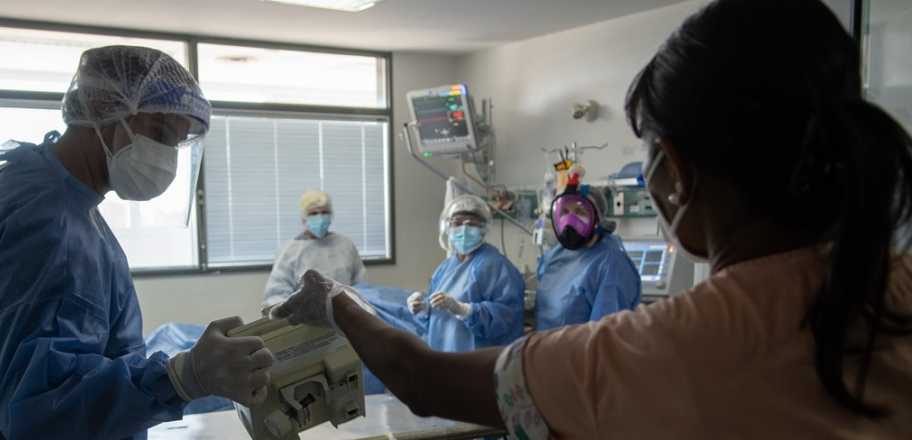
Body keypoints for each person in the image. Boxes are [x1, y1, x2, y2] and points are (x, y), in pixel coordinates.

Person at [270, 0, 912, 438]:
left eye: (650, 158)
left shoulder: (671, 347)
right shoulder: (897, 289)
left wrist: (338, 302)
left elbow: (424, 380)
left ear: (680, 174)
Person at [0, 46, 274, 440]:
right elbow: (43, 415)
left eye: (174, 144)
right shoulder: (50, 228)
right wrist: (181, 377)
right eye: (159, 133)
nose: (166, 159)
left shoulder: (22, 184)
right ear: (104, 108)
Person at [405, 194, 523, 352]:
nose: (464, 230)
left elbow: (507, 316)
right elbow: (436, 313)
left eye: (471, 224)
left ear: (483, 229)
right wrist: (423, 307)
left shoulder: (495, 265)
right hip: (442, 352)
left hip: (478, 360)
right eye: (457, 223)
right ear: (448, 228)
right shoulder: (445, 267)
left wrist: (463, 309)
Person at [535, 185, 641, 329]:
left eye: (580, 212)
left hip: (581, 350)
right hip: (547, 347)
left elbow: (604, 336)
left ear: (598, 219)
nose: (569, 220)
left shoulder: (611, 264)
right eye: (564, 212)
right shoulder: (554, 256)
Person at [262, 189, 366, 312]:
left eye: (324, 212)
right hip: (306, 321)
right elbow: (276, 296)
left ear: (331, 216)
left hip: (346, 316)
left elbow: (360, 286)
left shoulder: (345, 245)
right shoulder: (291, 251)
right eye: (313, 213)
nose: (320, 218)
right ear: (303, 218)